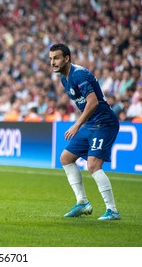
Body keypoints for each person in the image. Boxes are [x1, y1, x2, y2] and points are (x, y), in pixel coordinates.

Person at [49, 44, 121, 220]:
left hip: (104, 123)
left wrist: (76, 124)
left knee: (93, 165)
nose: (53, 62)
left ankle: (112, 210)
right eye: (50, 59)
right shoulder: (64, 79)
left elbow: (93, 102)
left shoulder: (78, 74)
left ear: (67, 58)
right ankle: (82, 202)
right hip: (90, 123)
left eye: (56, 58)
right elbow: (84, 104)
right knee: (66, 158)